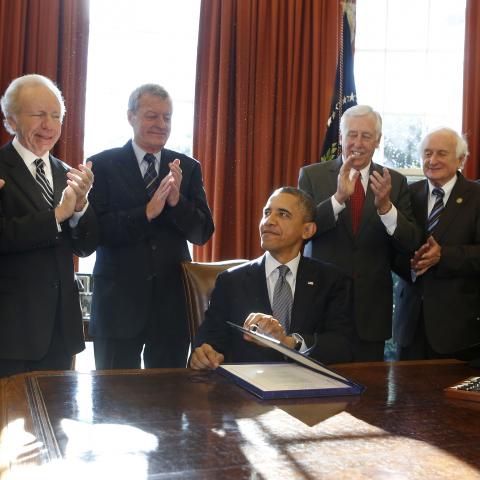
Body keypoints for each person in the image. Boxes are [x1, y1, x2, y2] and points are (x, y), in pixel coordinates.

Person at [88, 83, 214, 369]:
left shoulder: (187, 167)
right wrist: (145, 213)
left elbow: (203, 233)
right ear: (131, 117)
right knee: (114, 403)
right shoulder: (101, 165)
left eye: (166, 117)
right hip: (118, 308)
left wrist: (177, 202)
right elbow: (96, 232)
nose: (161, 124)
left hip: (171, 311)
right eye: (151, 116)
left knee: (169, 404)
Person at [298, 105, 420, 362]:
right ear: (340, 137)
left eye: (366, 136)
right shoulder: (313, 176)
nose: (358, 143)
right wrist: (338, 198)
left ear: (377, 140)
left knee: (371, 394)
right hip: (322, 304)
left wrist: (386, 208)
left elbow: (410, 242)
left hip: (371, 312)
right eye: (352, 135)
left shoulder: (394, 181)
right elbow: (302, 231)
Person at [190, 187, 353, 370]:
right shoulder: (230, 281)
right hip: (246, 391)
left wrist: (288, 343)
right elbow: (209, 339)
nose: (268, 221)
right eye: (267, 213)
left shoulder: (331, 280)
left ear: (307, 230)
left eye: (283, 214)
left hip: (307, 388)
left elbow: (342, 346)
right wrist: (204, 354)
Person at [0, 74, 97, 378]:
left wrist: (80, 207)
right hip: (11, 333)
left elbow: (85, 245)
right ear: (12, 120)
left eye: (55, 116)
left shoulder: (67, 173)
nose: (49, 125)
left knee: (55, 422)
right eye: (38, 114)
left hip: (61, 331)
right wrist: (56, 216)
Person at [394, 128, 480, 361]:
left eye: (441, 153)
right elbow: (392, 247)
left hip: (458, 329)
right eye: (427, 153)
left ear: (461, 159)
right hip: (410, 325)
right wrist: (411, 264)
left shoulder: (476, 195)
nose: (432, 160)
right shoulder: (408, 194)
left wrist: (444, 256)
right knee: (405, 396)